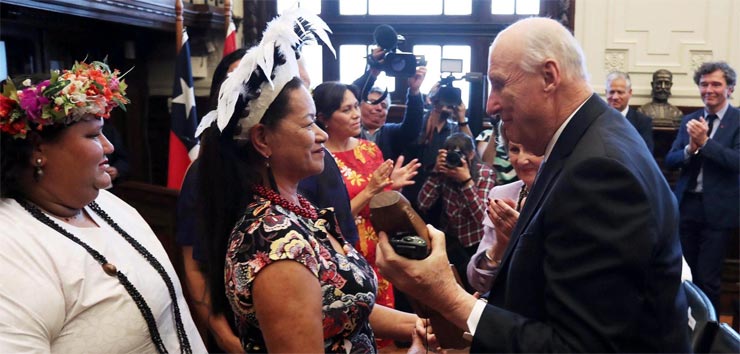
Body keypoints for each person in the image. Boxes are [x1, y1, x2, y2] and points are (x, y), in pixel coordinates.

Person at [376, 17, 690, 353]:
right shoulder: (590, 137)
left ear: (549, 77)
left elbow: (579, 347)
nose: (490, 105)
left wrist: (449, 298)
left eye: (499, 85)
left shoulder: (599, 170)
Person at [196, 12, 432, 353]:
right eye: (309, 125)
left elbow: (346, 307)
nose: (322, 135)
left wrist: (422, 324)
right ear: (263, 139)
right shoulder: (275, 247)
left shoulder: (300, 209)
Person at [0, 61, 206, 353]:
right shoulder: (10, 247)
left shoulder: (108, 205)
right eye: (93, 135)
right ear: (38, 148)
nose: (109, 147)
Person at [313, 81, 420, 313]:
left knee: (387, 320)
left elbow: (380, 203)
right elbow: (327, 222)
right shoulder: (319, 159)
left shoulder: (370, 150)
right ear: (323, 118)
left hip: (379, 246)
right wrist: (370, 190)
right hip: (346, 251)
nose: (356, 115)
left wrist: (392, 189)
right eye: (346, 110)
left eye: (355, 106)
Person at [176, 47, 247, 353]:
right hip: (235, 328)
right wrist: (223, 335)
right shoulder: (204, 172)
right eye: (235, 78)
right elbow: (194, 266)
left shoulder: (305, 163)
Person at [665, 61, 739, 311]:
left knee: (708, 280)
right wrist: (691, 148)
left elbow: (736, 162)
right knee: (685, 276)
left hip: (718, 212)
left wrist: (705, 143)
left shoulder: (738, 121)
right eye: (704, 84)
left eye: (716, 84)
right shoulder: (691, 119)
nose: (709, 89)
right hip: (686, 207)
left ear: (730, 89)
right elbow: (671, 160)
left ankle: (708, 340)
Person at [467, 127, 544, 294]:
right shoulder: (501, 194)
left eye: (532, 149)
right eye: (515, 149)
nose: (522, 160)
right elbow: (476, 280)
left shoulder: (565, 197)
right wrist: (500, 246)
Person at [417, 132, 495, 291]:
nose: (455, 159)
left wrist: (466, 182)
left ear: (471, 154)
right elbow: (422, 204)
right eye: (450, 154)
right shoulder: (443, 173)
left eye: (459, 154)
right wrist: (435, 173)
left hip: (476, 243)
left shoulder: (484, 174)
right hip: (451, 242)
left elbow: (482, 218)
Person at [354, 49, 427, 162]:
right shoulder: (349, 129)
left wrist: (414, 90)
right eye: (373, 102)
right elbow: (351, 95)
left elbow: (413, 126)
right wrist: (372, 74)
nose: (378, 108)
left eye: (383, 106)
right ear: (359, 106)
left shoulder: (391, 132)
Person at [605, 71, 654, 152]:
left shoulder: (642, 122)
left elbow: (646, 155)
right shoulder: (596, 118)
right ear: (606, 93)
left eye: (620, 92)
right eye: (611, 92)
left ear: (630, 93)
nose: (615, 97)